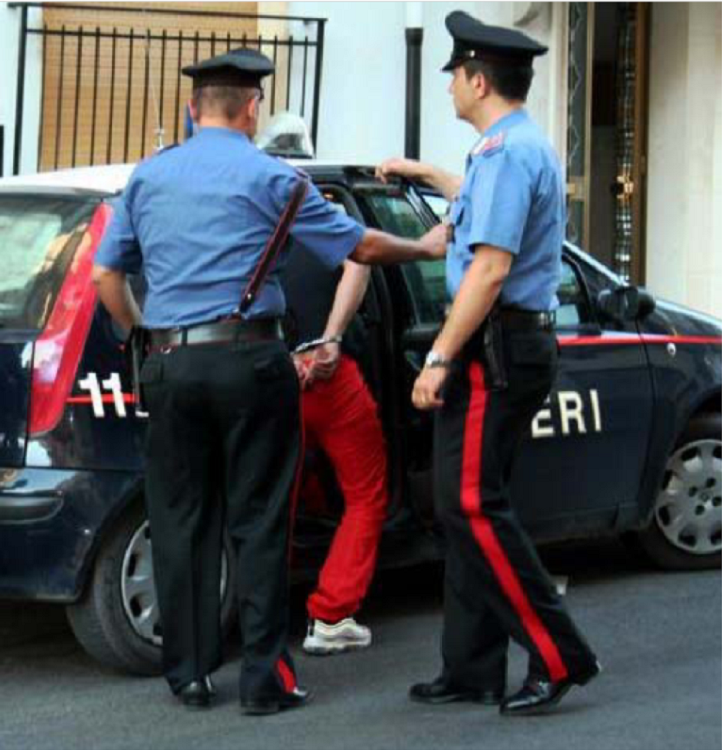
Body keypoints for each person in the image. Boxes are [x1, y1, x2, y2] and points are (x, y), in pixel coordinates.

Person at [92, 48, 447, 715]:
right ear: (251, 107)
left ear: (191, 111)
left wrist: (143, 333)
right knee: (259, 519)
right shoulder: (275, 179)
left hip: (170, 360)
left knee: (180, 517)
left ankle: (190, 674)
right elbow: (359, 249)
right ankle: (262, 678)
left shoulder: (148, 178)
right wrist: (425, 248)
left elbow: (107, 278)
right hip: (252, 362)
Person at [378, 11, 601, 716]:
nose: (448, 88)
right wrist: (428, 174)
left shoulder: (506, 155)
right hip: (508, 345)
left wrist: (440, 356)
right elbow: (480, 210)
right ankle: (471, 666)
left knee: (471, 504)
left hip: (493, 348)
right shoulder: (506, 149)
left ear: (478, 79)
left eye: (454, 76)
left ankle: (559, 654)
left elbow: (490, 267)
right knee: (465, 506)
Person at [282, 252, 386, 655]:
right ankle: (331, 613)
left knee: (272, 500)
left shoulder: (237, 214)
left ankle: (261, 609)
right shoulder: (320, 217)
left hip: (269, 377)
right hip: (331, 377)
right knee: (366, 494)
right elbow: (361, 263)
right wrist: (330, 338)